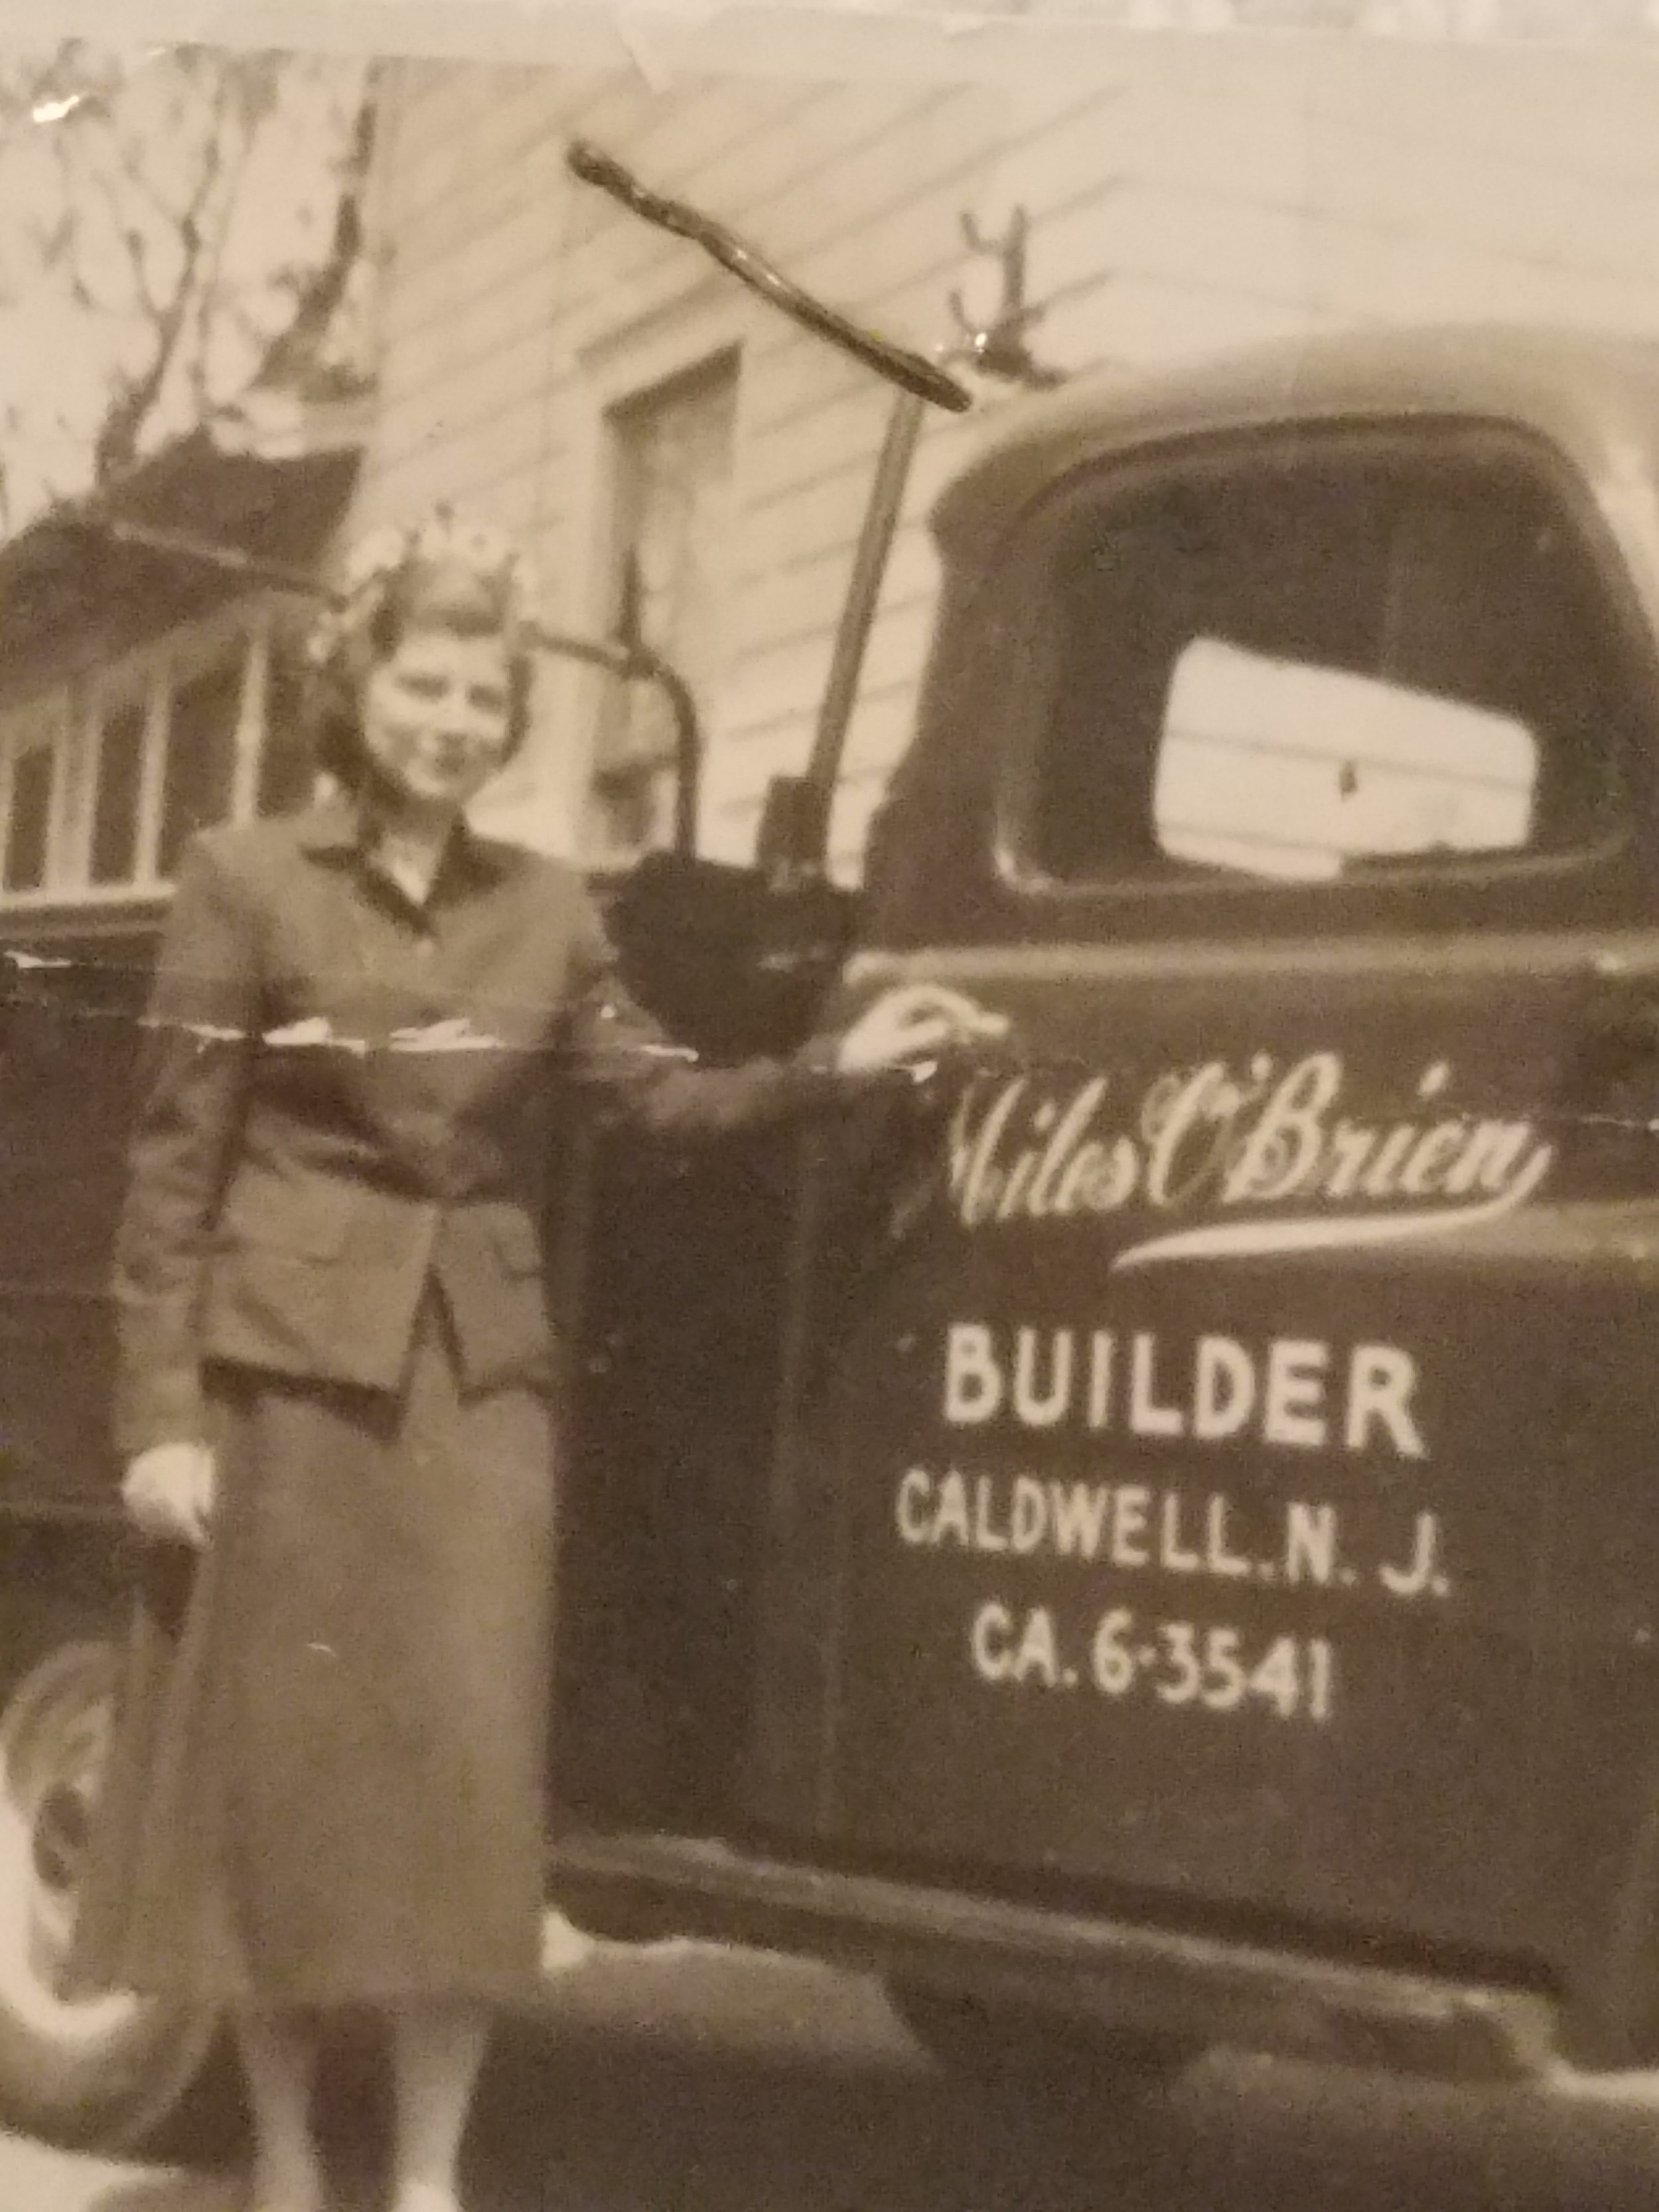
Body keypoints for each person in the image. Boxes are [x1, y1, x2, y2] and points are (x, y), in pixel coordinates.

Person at [74, 509, 995, 2212]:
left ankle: (425, 2179)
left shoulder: (547, 906)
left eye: (484, 697)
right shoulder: (243, 877)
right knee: (285, 1800)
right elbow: (169, 1168)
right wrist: (159, 1420)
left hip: (476, 1391)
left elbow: (654, 1097)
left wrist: (834, 1065)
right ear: (358, 687)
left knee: (463, 1794)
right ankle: (286, 2160)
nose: (454, 721)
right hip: (283, 1388)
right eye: (425, 685)